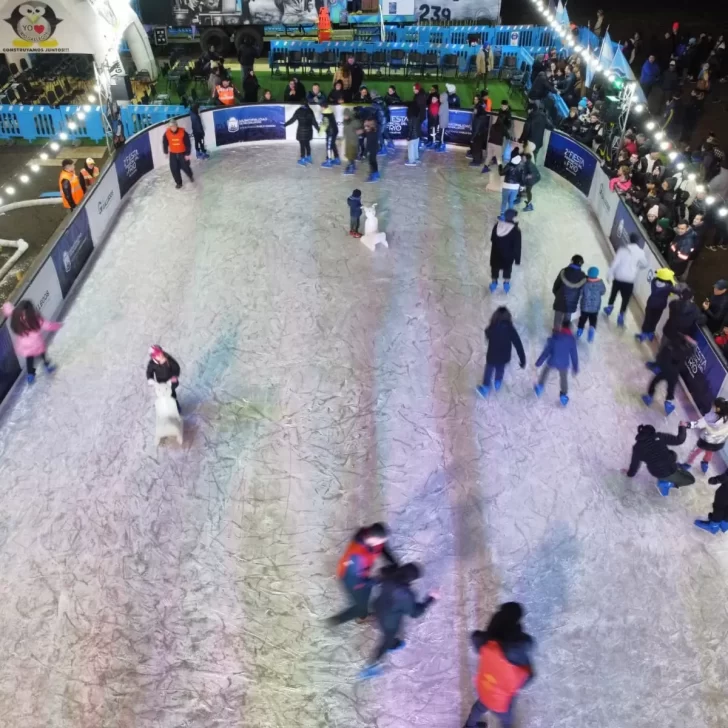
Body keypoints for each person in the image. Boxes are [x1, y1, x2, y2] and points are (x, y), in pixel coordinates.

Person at [360, 563, 438, 679]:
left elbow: (375, 580)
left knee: (394, 617)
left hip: (378, 606)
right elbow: (415, 613)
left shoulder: (389, 574)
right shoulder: (405, 594)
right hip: (389, 620)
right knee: (387, 639)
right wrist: (431, 598)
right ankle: (369, 667)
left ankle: (376, 622)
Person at [463, 602, 534, 728]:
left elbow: (476, 639)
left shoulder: (484, 641)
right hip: (501, 699)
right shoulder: (515, 651)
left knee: (479, 707)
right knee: (507, 719)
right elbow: (528, 677)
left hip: (485, 687)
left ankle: (469, 726)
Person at [328, 523, 398, 627]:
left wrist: (394, 563)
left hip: (363, 574)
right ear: (373, 538)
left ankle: (362, 616)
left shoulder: (371, 537)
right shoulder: (356, 555)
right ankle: (335, 621)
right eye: (381, 541)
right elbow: (358, 580)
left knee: (366, 594)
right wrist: (379, 579)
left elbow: (383, 548)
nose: (382, 543)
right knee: (360, 606)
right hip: (350, 578)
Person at [625, 422, 695, 496]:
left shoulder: (637, 448)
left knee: (674, 464)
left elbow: (634, 466)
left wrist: (629, 474)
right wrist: (682, 427)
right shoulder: (659, 436)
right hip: (669, 470)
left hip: (656, 472)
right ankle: (667, 483)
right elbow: (679, 440)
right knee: (690, 479)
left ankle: (665, 478)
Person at [2, 300, 61, 384]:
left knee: (29, 359)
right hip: (36, 343)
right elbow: (47, 326)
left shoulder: (16, 315)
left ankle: (30, 375)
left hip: (25, 345)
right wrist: (57, 325)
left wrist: (5, 304)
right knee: (42, 354)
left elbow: (9, 310)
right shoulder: (34, 318)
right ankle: (47, 366)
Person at [477, 306, 526, 397]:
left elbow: (487, 333)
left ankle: (485, 387)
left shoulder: (492, 327)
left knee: (488, 371)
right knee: (500, 369)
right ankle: (497, 382)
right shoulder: (511, 330)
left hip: (492, 356)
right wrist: (523, 359)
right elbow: (518, 344)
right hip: (504, 357)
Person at [642, 334, 693, 416]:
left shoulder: (669, 347)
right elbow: (691, 351)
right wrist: (691, 343)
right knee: (671, 388)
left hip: (665, 370)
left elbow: (661, 357)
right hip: (675, 373)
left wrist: (657, 365)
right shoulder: (686, 351)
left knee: (655, 381)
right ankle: (668, 404)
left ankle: (649, 397)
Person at [603, 233, 647, 327]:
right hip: (629, 279)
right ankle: (621, 315)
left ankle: (609, 307)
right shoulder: (640, 252)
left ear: (629, 239)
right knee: (626, 298)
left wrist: (609, 274)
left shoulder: (622, 250)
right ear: (638, 241)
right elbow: (645, 264)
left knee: (614, 293)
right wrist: (637, 267)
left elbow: (615, 263)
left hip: (619, 276)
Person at [534, 321, 578, 406]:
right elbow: (574, 355)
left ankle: (539, 387)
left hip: (553, 360)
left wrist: (539, 362)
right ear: (570, 329)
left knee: (545, 371)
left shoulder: (555, 337)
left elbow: (546, 352)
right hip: (564, 363)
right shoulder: (571, 340)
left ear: (562, 327)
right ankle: (563, 396)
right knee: (563, 378)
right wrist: (575, 367)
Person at [680, 398, 728, 473]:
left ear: (718, 409)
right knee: (710, 452)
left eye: (714, 406)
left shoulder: (712, 417)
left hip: (707, 440)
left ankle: (687, 464)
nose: (712, 407)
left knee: (695, 451)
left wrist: (687, 424)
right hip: (718, 442)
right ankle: (705, 463)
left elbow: (699, 424)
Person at [636, 268, 676, 342]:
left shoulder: (654, 281)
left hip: (651, 303)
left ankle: (644, 333)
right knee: (655, 319)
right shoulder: (669, 287)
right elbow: (675, 291)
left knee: (647, 319)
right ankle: (651, 334)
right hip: (660, 306)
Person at [489, 209, 521, 294]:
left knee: (494, 269)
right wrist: (517, 260)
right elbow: (517, 247)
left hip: (495, 254)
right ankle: (506, 284)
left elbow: (492, 239)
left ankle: (493, 284)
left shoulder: (497, 225)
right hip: (507, 256)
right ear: (513, 218)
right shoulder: (516, 230)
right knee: (507, 270)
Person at [552, 255, 587, 329]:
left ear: (572, 261)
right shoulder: (583, 276)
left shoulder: (564, 271)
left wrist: (556, 294)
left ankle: (556, 332)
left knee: (558, 317)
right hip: (572, 302)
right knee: (567, 317)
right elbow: (582, 290)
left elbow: (556, 285)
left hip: (560, 298)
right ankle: (565, 332)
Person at [146, 344, 181, 411]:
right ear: (153, 357)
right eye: (157, 355)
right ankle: (165, 406)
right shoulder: (152, 364)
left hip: (170, 382)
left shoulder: (168, 359)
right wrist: (150, 378)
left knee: (172, 394)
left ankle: (176, 406)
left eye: (161, 353)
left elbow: (176, 368)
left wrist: (175, 376)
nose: (160, 356)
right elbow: (149, 372)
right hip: (161, 382)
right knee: (162, 395)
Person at [576, 267, 607, 342]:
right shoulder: (600, 283)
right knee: (593, 319)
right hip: (595, 307)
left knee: (582, 319)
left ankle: (580, 331)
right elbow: (603, 292)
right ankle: (591, 330)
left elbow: (580, 292)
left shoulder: (585, 283)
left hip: (585, 307)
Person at [284, 101, 319, 166]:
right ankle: (309, 158)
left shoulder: (298, 111)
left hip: (301, 132)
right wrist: (318, 129)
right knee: (307, 144)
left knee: (302, 146)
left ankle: (303, 159)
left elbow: (292, 120)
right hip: (309, 132)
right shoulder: (310, 111)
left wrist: (285, 124)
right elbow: (314, 122)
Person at [162, 119, 193, 190]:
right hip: (173, 154)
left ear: (176, 126)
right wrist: (166, 151)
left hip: (182, 153)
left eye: (174, 126)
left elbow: (187, 143)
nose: (173, 128)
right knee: (174, 169)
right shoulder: (166, 133)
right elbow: (165, 143)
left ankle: (190, 176)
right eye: (171, 126)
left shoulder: (183, 132)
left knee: (185, 166)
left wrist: (187, 153)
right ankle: (179, 183)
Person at [484, 100, 513, 173]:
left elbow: (509, 125)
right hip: (499, 139)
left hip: (492, 140)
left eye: (504, 106)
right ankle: (500, 170)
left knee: (490, 155)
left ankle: (485, 166)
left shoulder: (493, 125)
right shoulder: (502, 114)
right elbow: (507, 135)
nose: (503, 107)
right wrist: (507, 134)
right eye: (502, 106)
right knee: (499, 156)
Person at [498, 154, 523, 219]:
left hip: (507, 186)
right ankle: (510, 217)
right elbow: (522, 179)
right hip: (515, 187)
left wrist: (500, 165)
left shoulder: (509, 165)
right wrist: (521, 187)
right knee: (511, 201)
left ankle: (502, 216)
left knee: (504, 201)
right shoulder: (521, 167)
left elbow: (501, 173)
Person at [320, 102, 340, 168]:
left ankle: (329, 161)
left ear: (323, 107)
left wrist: (320, 132)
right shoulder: (330, 112)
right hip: (335, 130)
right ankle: (337, 159)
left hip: (331, 132)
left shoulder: (325, 114)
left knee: (328, 146)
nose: (321, 109)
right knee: (332, 144)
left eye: (321, 107)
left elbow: (324, 125)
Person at [468, 103, 488, 167]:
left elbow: (476, 130)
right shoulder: (483, 116)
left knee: (476, 149)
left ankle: (476, 162)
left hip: (477, 135)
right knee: (479, 148)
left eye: (475, 109)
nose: (474, 111)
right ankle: (479, 159)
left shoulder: (478, 118)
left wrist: (472, 138)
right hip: (481, 135)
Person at [342, 108, 361, 175]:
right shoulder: (345, 121)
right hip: (348, 140)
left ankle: (352, 168)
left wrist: (359, 131)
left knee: (351, 154)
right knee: (348, 154)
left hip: (353, 140)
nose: (345, 117)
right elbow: (345, 128)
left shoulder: (355, 121)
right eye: (344, 115)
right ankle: (351, 165)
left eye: (346, 115)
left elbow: (361, 129)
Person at [405, 98, 421, 167]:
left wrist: (408, 136)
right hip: (417, 135)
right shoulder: (418, 115)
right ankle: (416, 158)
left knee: (411, 147)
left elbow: (410, 128)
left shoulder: (411, 117)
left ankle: (411, 161)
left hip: (413, 135)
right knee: (415, 147)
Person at [363, 118, 379, 183]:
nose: (365, 126)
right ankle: (376, 173)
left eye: (366, 125)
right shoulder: (373, 131)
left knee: (371, 162)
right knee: (373, 161)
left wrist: (364, 153)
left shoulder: (370, 133)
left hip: (372, 149)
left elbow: (368, 144)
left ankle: (373, 176)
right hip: (375, 148)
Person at [435, 85, 450, 151]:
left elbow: (439, 113)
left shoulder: (442, 105)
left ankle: (442, 145)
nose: (440, 99)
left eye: (440, 97)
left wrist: (438, 111)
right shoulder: (446, 103)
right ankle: (441, 144)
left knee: (442, 135)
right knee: (441, 134)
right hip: (443, 121)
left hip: (442, 122)